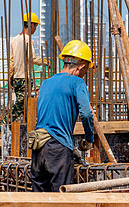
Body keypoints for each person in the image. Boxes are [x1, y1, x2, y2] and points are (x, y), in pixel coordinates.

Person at [31, 40, 95, 192]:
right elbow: (86, 114)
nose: (84, 74)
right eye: (86, 70)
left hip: (38, 146)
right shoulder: (77, 83)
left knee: (38, 199)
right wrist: (89, 139)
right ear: (81, 66)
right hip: (58, 149)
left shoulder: (46, 83)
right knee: (61, 196)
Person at [1, 12, 48, 126]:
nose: (35, 29)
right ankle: (4, 123)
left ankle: (28, 125)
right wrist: (46, 62)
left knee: (24, 105)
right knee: (21, 105)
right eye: (36, 26)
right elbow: (32, 58)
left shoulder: (14, 40)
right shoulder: (27, 39)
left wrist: (11, 77)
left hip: (17, 78)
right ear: (31, 25)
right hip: (24, 78)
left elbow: (11, 62)